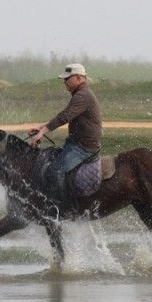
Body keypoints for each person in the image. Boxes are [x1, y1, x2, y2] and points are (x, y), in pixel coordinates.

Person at [30, 63, 102, 206]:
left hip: (83, 147)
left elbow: (64, 117)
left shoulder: (83, 95)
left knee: (54, 171)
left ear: (79, 78)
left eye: (67, 79)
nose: (65, 82)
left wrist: (43, 132)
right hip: (77, 144)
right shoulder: (81, 94)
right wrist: (42, 128)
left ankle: (63, 208)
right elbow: (65, 115)